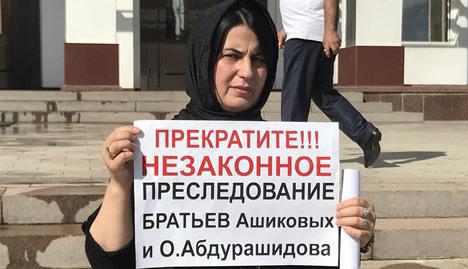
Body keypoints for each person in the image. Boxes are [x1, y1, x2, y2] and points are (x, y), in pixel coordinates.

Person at [82, 1, 376, 268]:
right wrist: (120, 184)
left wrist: (353, 235)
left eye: (259, 59)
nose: (247, 71)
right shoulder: (160, 151)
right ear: (204, 59)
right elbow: (107, 259)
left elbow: (309, 253)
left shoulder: (289, 156)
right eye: (232, 56)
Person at [278, 0, 382, 168]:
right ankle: (365, 133)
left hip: (306, 38)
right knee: (323, 94)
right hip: (305, 33)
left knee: (294, 98)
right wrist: (287, 28)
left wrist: (330, 30)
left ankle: (290, 157)